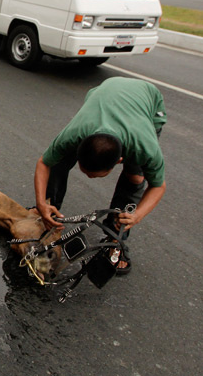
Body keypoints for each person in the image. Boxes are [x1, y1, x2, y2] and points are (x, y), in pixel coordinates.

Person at [33, 77, 167, 274]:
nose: (87, 177)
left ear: (119, 161)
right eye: (84, 171)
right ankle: (51, 212)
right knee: (58, 161)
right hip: (104, 92)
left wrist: (137, 215)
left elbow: (158, 186)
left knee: (136, 178)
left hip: (148, 102)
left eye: (94, 176)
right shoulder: (76, 132)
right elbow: (44, 163)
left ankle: (115, 238)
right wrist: (40, 203)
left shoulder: (144, 147)